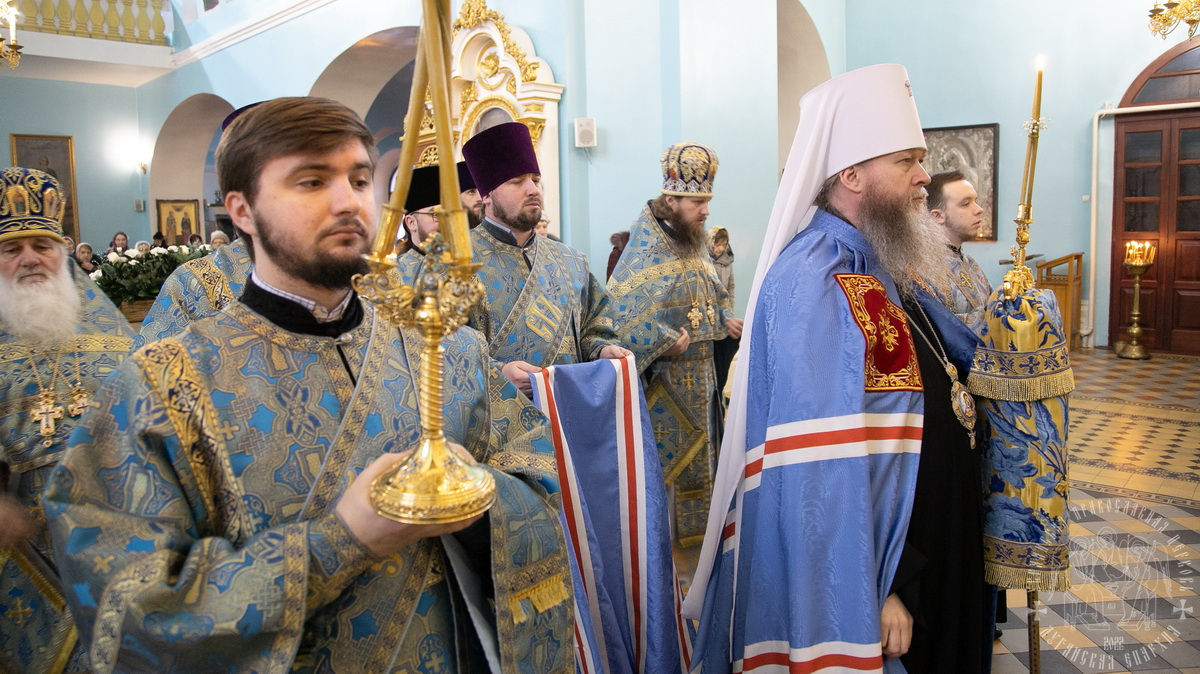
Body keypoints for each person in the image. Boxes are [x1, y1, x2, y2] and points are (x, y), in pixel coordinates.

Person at [44, 97, 575, 672]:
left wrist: (478, 501)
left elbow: (539, 471)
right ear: (242, 210)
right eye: (312, 181)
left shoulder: (452, 349)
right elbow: (128, 606)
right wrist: (341, 541)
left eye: (360, 179)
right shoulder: (159, 390)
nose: (348, 201)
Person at [685, 64, 987, 674]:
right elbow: (817, 463)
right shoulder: (816, 276)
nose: (923, 177)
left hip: (933, 539)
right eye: (906, 161)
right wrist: (882, 584)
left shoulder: (877, 259)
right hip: (891, 570)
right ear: (851, 175)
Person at [0, 166, 136, 672]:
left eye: (42, 245)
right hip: (23, 554)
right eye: (11, 249)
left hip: (116, 542)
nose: (30, 258)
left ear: (61, 252)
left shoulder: (116, 335)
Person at [606, 143, 741, 547]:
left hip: (704, 381)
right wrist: (663, 343)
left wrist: (724, 320)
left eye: (708, 201)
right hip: (664, 389)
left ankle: (701, 563)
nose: (706, 210)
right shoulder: (644, 249)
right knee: (669, 482)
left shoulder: (695, 242)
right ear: (671, 201)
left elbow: (709, 296)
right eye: (698, 202)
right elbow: (618, 318)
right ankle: (667, 567)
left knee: (706, 469)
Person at [461, 122, 629, 395]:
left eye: (536, 180)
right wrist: (497, 374)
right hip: (497, 415)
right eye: (517, 182)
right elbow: (440, 349)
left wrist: (601, 349)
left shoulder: (572, 260)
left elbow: (596, 323)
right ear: (487, 195)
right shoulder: (454, 263)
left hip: (568, 409)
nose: (533, 190)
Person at [927, 170, 993, 330]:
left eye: (975, 201)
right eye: (965, 204)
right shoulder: (922, 268)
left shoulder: (970, 263)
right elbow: (938, 329)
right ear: (937, 216)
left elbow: (992, 304)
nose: (979, 210)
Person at [709, 225, 738, 396]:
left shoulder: (727, 262)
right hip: (709, 317)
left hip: (724, 318)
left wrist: (729, 313)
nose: (720, 248)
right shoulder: (704, 262)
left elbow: (730, 289)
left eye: (723, 245)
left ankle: (720, 392)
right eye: (717, 244)